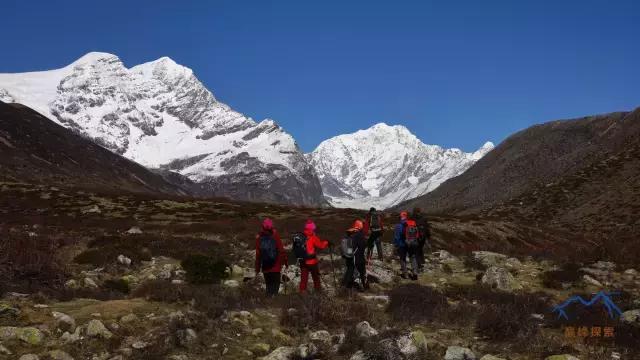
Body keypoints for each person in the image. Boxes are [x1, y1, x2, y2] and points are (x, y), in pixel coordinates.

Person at [255, 218, 288, 296]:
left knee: (268, 288)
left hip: (265, 267)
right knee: (275, 289)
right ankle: (274, 304)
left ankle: (267, 304)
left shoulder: (259, 237)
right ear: (271, 226)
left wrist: (257, 269)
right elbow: (281, 251)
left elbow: (258, 255)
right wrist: (285, 263)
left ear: (262, 226)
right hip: (275, 267)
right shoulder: (275, 235)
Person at [299, 219, 329, 293]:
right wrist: (327, 242)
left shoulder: (301, 236)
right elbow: (321, 246)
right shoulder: (313, 237)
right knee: (316, 279)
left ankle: (302, 294)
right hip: (312, 262)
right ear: (312, 228)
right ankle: (318, 293)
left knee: (303, 280)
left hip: (303, 261)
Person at [342, 219, 368, 290]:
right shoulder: (359, 235)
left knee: (349, 270)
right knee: (361, 271)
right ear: (361, 226)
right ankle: (363, 286)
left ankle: (345, 286)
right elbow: (362, 246)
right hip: (357, 257)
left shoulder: (349, 233)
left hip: (349, 255)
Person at [393, 211, 419, 280]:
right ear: (406, 216)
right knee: (413, 257)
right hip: (411, 243)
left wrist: (396, 245)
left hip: (402, 244)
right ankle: (415, 272)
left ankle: (406, 274)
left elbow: (396, 237)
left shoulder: (398, 226)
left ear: (400, 217)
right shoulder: (412, 224)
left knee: (402, 258)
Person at [411, 207, 431, 273]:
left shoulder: (411, 219)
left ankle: (419, 266)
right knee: (420, 249)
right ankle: (422, 262)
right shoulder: (424, 218)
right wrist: (428, 237)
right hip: (423, 238)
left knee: (416, 251)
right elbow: (427, 229)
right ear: (419, 211)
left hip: (415, 237)